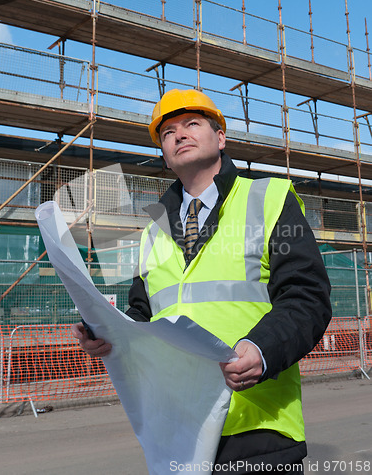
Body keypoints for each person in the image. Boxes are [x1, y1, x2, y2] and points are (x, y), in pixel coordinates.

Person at [72, 89, 332, 474]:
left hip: (256, 425)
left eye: (192, 124)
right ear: (163, 153)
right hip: (178, 431)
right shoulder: (152, 230)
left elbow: (307, 296)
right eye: (167, 132)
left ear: (220, 137)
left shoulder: (268, 197)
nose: (179, 135)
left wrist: (260, 349)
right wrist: (106, 335)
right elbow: (142, 316)